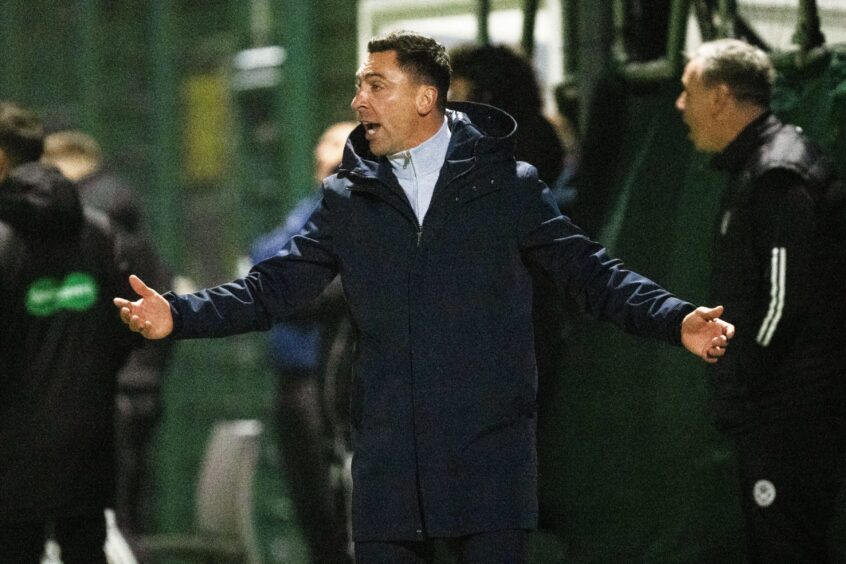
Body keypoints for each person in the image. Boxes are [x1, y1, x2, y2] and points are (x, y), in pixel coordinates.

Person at [115, 31, 734, 564]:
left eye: (376, 85)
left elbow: (590, 274)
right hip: (388, 464)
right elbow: (274, 288)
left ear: (426, 98)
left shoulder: (508, 187)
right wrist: (180, 315)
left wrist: (674, 318)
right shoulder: (348, 199)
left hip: (487, 458)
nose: (359, 100)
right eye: (359, 85)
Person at [675, 38, 846, 563]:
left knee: (786, 548)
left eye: (688, 91)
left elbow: (783, 304)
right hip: (785, 408)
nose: (680, 106)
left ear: (721, 97)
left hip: (790, 414)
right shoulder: (760, 167)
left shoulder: (777, 175)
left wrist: (744, 376)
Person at [0, 101, 135, 563]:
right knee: (85, 551)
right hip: (88, 444)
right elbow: (125, 330)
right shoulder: (97, 231)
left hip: (9, 453)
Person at [40, 129, 173, 539]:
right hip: (133, 388)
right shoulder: (124, 225)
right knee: (123, 521)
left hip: (110, 394)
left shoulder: (90, 230)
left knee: (106, 527)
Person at [249, 121, 357, 564]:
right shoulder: (312, 207)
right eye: (323, 138)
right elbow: (264, 259)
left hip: (327, 379)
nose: (321, 149)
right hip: (294, 376)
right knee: (311, 508)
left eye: (335, 142)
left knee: (336, 510)